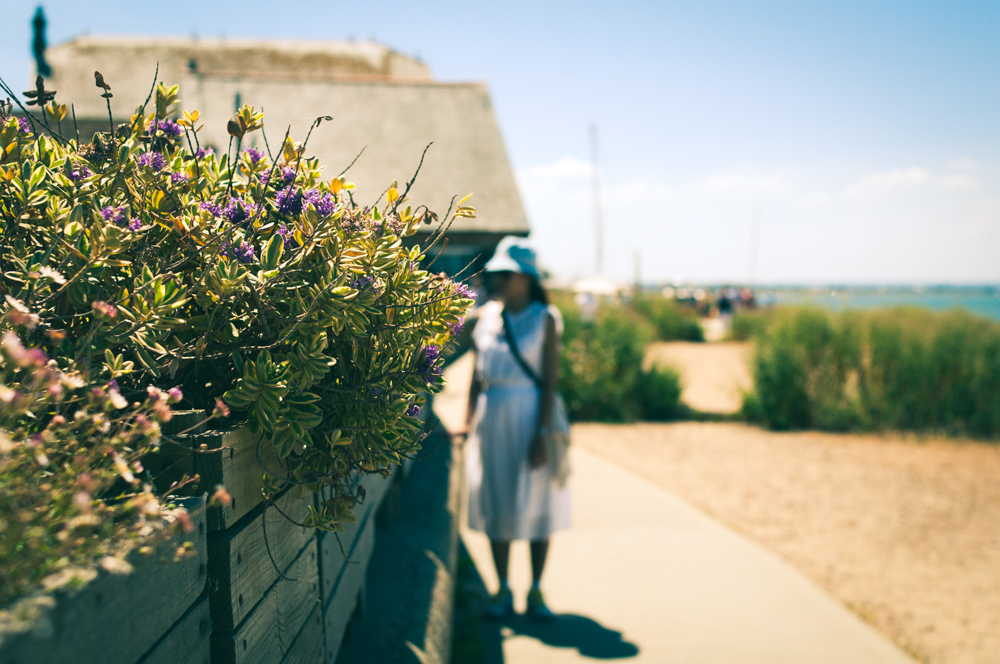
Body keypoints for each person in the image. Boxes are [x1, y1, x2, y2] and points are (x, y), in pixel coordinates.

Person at [457, 236, 570, 620]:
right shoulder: (486, 315)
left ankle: (536, 589)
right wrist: (466, 419)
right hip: (491, 418)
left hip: (529, 415)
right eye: (497, 273)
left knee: (538, 499)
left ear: (528, 278)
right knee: (497, 498)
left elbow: (550, 382)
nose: (499, 280)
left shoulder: (545, 318)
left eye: (508, 274)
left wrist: (541, 435)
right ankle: (501, 588)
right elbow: (476, 373)